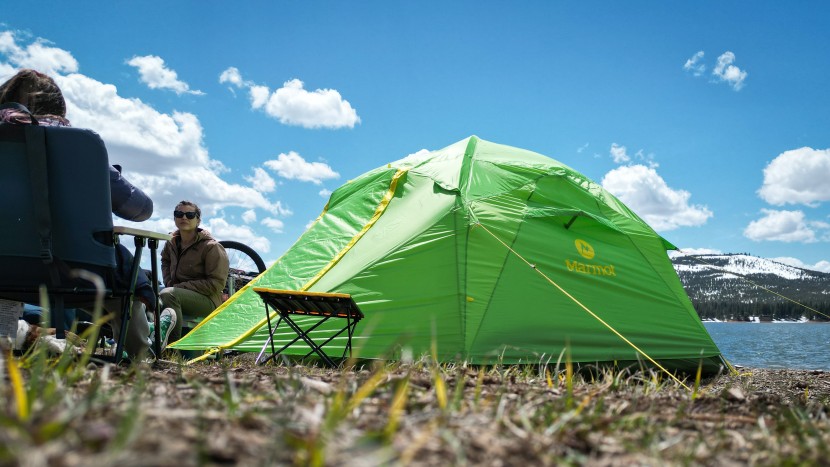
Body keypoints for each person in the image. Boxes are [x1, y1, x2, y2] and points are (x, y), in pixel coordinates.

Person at [0, 69, 176, 359]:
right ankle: (140, 357)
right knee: (125, 280)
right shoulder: (78, 148)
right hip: (79, 270)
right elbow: (140, 209)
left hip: (5, 266)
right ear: (59, 108)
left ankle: (10, 339)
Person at [160, 201, 229, 343]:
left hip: (208, 301)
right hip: (177, 293)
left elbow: (216, 284)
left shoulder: (211, 247)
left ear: (198, 220)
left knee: (168, 294)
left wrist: (177, 287)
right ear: (174, 218)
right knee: (142, 292)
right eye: (179, 214)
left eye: (190, 215)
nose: (184, 218)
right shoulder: (171, 242)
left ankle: (171, 348)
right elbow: (165, 260)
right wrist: (168, 281)